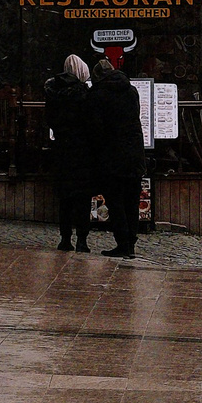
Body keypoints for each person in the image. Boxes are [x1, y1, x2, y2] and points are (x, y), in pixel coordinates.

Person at [87, 57, 146, 257]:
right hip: (135, 154)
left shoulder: (97, 95)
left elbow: (96, 130)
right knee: (132, 202)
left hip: (112, 156)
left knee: (116, 202)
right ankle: (131, 245)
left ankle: (123, 243)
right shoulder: (131, 91)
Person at [46, 54, 96, 252]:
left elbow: (50, 120)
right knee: (82, 197)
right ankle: (82, 239)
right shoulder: (84, 94)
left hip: (61, 150)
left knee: (64, 198)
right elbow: (91, 123)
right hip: (82, 151)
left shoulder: (52, 92)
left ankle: (65, 238)